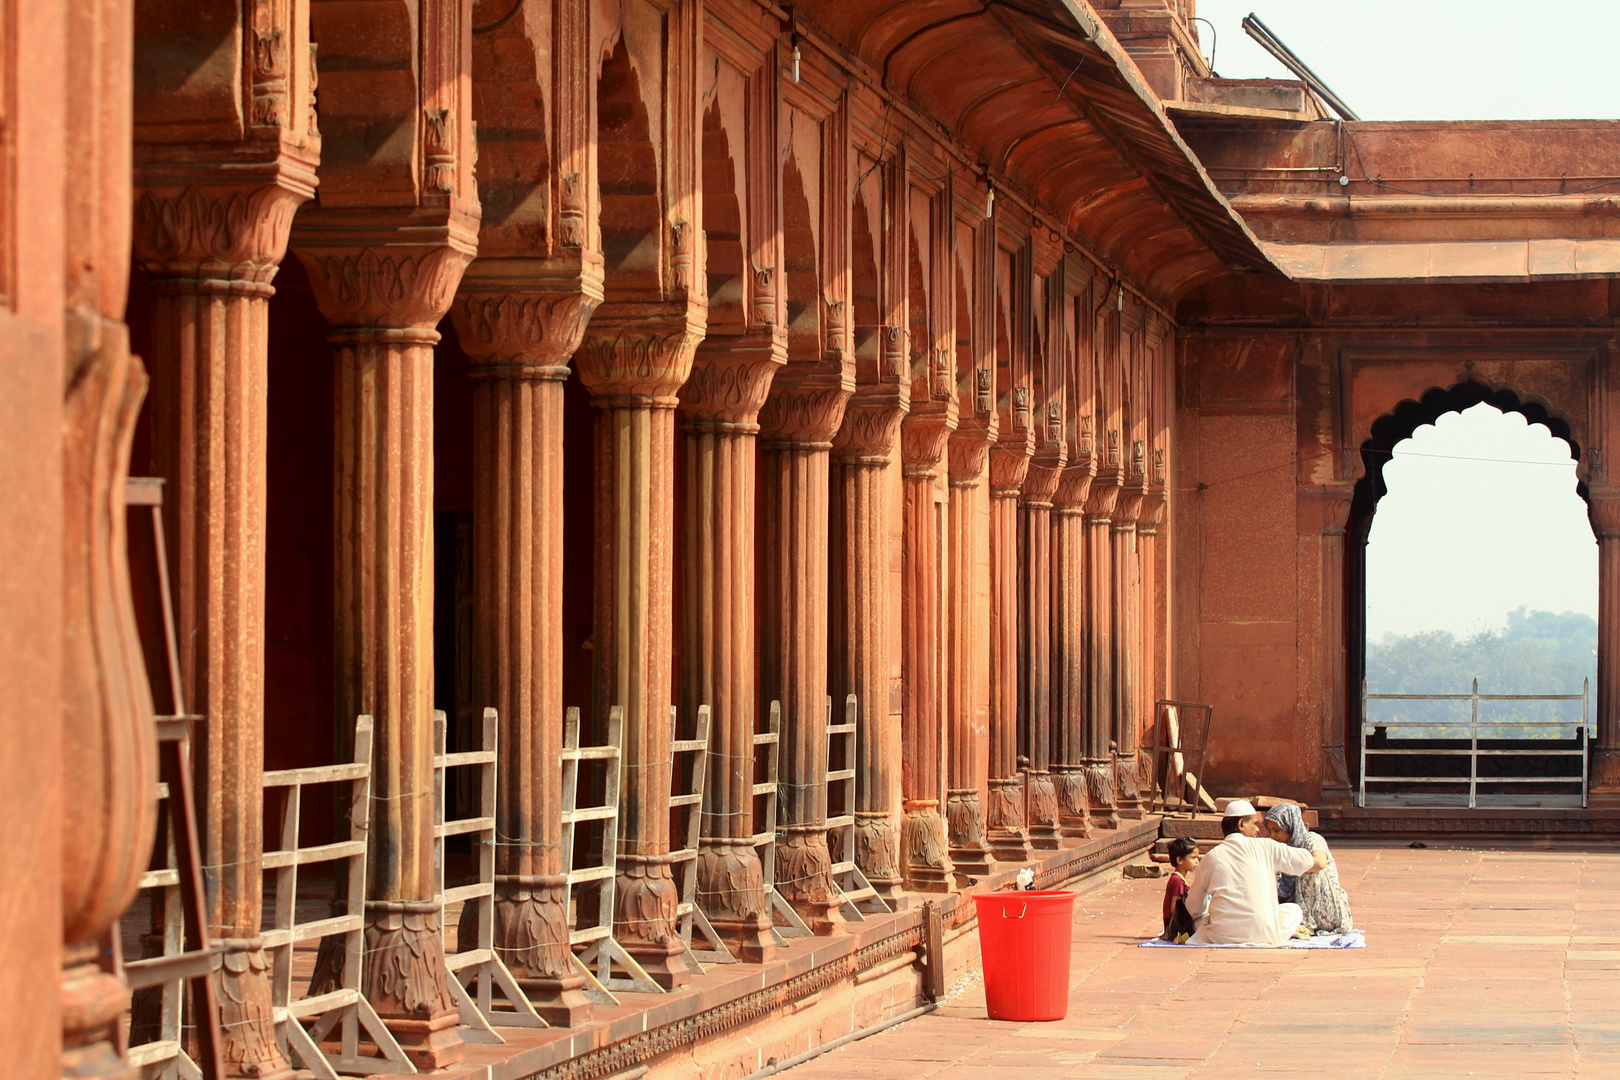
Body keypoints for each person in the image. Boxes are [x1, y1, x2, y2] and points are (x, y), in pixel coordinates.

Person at [1183, 800, 1326, 946]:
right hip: (1264, 935)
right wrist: (1319, 847)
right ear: (1241, 824)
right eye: (1255, 824)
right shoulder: (1267, 846)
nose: (1258, 830)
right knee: (1294, 910)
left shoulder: (1210, 857)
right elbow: (1311, 862)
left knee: (1200, 919)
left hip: (1220, 935)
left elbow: (1193, 908)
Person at [1263, 802, 1354, 935]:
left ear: (1290, 826)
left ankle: (1310, 922)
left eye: (1277, 830)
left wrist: (1289, 866)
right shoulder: (1282, 848)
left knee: (1309, 869)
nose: (1273, 836)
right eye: (1270, 831)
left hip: (1330, 911)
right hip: (1300, 909)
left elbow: (1320, 863)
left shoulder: (1312, 839)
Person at [1161, 837, 1200, 941]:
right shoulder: (1177, 881)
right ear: (1180, 860)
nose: (1197, 861)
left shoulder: (1179, 879)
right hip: (1175, 926)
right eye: (1193, 858)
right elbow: (1174, 909)